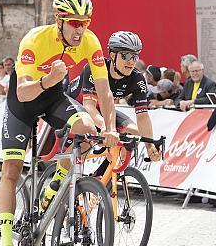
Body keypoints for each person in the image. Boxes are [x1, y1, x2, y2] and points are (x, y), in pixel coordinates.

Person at [0, 0, 118, 246]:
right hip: (24, 101)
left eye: (85, 23)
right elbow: (22, 92)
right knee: (11, 170)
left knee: (88, 130)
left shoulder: (90, 40)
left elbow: (105, 91)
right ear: (59, 20)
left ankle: (53, 188)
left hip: (54, 97)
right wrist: (47, 79)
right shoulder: (35, 40)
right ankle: (6, 245)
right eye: (74, 23)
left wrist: (110, 127)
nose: (80, 29)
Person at [67, 31, 163, 175]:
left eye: (135, 56)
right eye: (126, 55)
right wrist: (107, 129)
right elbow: (89, 107)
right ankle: (59, 182)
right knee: (88, 135)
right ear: (112, 55)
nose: (131, 61)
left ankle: (100, 180)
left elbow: (143, 116)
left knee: (134, 133)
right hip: (78, 105)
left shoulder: (137, 79)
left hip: (103, 109)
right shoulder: (95, 68)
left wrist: (149, 146)